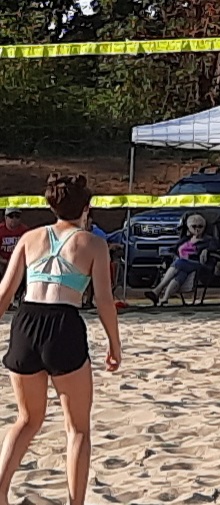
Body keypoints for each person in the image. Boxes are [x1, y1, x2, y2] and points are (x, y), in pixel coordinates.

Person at [0, 174, 121, 505]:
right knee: (78, 429)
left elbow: (4, 293)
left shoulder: (29, 238)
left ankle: (0, 491)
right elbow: (104, 301)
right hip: (64, 325)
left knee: (27, 420)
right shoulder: (93, 243)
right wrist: (115, 344)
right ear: (86, 208)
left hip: (26, 322)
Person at [144, 213, 217, 306]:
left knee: (179, 263)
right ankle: (165, 298)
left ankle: (157, 290)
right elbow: (173, 248)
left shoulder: (209, 240)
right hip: (182, 264)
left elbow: (216, 248)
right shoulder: (186, 239)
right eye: (194, 226)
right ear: (189, 227)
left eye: (200, 226)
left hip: (198, 263)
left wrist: (206, 250)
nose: (197, 229)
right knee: (180, 274)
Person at [0, 210, 29, 276]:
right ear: (5, 217)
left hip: (19, 262)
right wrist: (3, 261)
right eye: (11, 216)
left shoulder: (25, 230)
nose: (14, 219)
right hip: (2, 262)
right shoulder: (1, 230)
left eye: (17, 216)